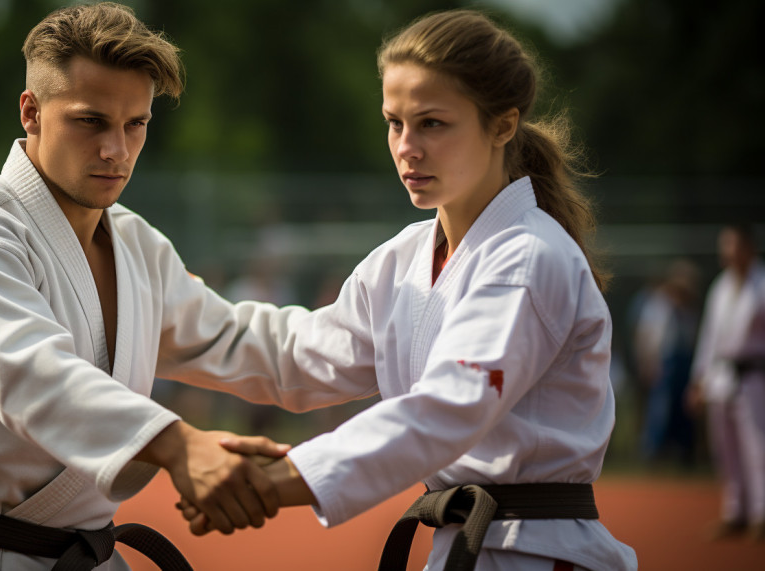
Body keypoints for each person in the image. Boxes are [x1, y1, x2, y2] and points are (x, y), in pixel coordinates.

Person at [0, 4, 305, 570]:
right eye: (91, 121)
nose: (118, 149)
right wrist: (180, 445)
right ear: (31, 112)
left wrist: (391, 331)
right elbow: (33, 375)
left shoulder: (136, 244)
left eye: (136, 124)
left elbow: (239, 341)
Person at [180, 10, 637, 570]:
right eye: (394, 122)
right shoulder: (403, 259)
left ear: (502, 125)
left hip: (537, 554)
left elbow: (447, 407)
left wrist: (277, 481)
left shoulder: (528, 256)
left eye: (433, 124)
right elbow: (297, 356)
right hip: (466, 549)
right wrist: (167, 319)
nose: (407, 147)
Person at [688, 224, 765, 542]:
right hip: (721, 376)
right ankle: (736, 512)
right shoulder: (720, 286)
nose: (727, 252)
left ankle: (761, 514)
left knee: (758, 447)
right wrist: (698, 381)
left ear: (748, 247)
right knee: (726, 447)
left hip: (755, 376)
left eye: (732, 245)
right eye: (724, 246)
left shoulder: (761, 283)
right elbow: (709, 338)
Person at [633, 259, 700, 466]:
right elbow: (645, 335)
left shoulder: (690, 308)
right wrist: (646, 362)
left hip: (685, 362)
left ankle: (682, 453)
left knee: (683, 410)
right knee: (660, 408)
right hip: (665, 362)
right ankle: (653, 452)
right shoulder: (658, 304)